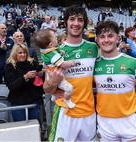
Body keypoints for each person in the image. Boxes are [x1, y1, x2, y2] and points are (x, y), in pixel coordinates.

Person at [43, 5, 98, 141]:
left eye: (80, 20)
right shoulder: (55, 53)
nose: (76, 23)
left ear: (84, 23)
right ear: (66, 22)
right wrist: (54, 81)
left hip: (89, 113)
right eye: (72, 19)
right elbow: (47, 88)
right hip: (66, 112)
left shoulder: (93, 48)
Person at [94, 20, 136, 141]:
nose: (106, 40)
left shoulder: (133, 63)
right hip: (105, 124)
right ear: (97, 40)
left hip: (129, 122)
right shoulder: (93, 64)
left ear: (118, 38)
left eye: (110, 36)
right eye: (102, 37)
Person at [35, 29, 76, 108]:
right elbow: (63, 64)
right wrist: (71, 63)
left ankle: (54, 96)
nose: (56, 37)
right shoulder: (52, 53)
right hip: (56, 75)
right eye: (54, 37)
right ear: (50, 44)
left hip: (50, 74)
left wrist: (60, 52)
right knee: (69, 88)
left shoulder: (46, 51)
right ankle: (67, 100)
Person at [4, 43, 44, 121]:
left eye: (24, 52)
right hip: (18, 102)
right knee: (21, 127)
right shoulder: (10, 66)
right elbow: (11, 86)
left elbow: (40, 81)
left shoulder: (32, 63)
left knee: (35, 126)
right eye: (20, 53)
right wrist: (25, 77)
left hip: (34, 100)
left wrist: (41, 74)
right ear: (15, 54)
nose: (23, 55)